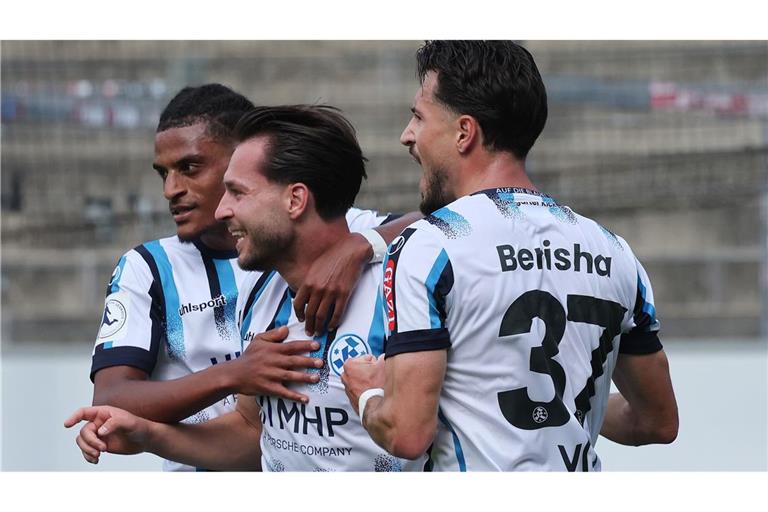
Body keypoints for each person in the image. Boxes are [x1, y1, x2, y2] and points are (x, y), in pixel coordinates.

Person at [341, 40, 679, 471]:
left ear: (465, 133)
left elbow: (406, 433)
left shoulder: (431, 245)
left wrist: (367, 392)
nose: (408, 135)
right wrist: (558, 402)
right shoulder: (614, 250)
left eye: (418, 117)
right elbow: (657, 422)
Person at [66, 105, 423, 471]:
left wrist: (363, 246)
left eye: (236, 192)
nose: (222, 210)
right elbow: (254, 432)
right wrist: (149, 436)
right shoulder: (256, 286)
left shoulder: (402, 284)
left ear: (295, 200)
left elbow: (441, 217)